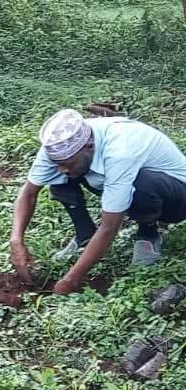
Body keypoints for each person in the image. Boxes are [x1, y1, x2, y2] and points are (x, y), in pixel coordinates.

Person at [10, 109, 186, 294]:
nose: (61, 168)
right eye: (57, 162)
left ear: (89, 146)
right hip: (120, 178)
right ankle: (84, 234)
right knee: (59, 179)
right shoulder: (60, 145)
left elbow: (109, 226)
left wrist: (71, 279)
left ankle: (148, 233)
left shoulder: (121, 150)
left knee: (141, 184)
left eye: (67, 163)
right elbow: (29, 193)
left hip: (176, 196)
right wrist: (16, 241)